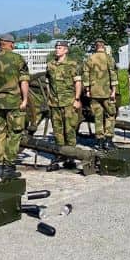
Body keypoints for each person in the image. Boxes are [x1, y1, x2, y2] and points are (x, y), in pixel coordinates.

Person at [0, 33, 30, 179]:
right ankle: (9, 167)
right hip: (14, 102)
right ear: (11, 44)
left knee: (0, 133)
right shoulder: (17, 59)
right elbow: (24, 81)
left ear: (1, 44)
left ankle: (0, 165)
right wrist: (25, 99)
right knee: (15, 134)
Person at [45, 40, 82, 168]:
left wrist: (77, 99)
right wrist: (50, 97)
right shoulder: (50, 65)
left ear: (66, 50)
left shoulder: (73, 64)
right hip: (54, 103)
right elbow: (48, 83)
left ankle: (71, 156)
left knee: (70, 129)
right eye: (56, 47)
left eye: (60, 48)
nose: (57, 49)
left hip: (68, 102)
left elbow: (77, 82)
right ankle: (60, 154)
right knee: (57, 130)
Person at [82, 38, 119, 150]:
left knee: (98, 117)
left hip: (94, 93)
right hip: (107, 92)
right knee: (111, 115)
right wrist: (113, 91)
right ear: (103, 46)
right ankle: (108, 140)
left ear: (95, 46)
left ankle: (99, 141)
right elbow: (113, 75)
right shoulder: (109, 58)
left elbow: (85, 75)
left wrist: (88, 90)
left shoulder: (90, 58)